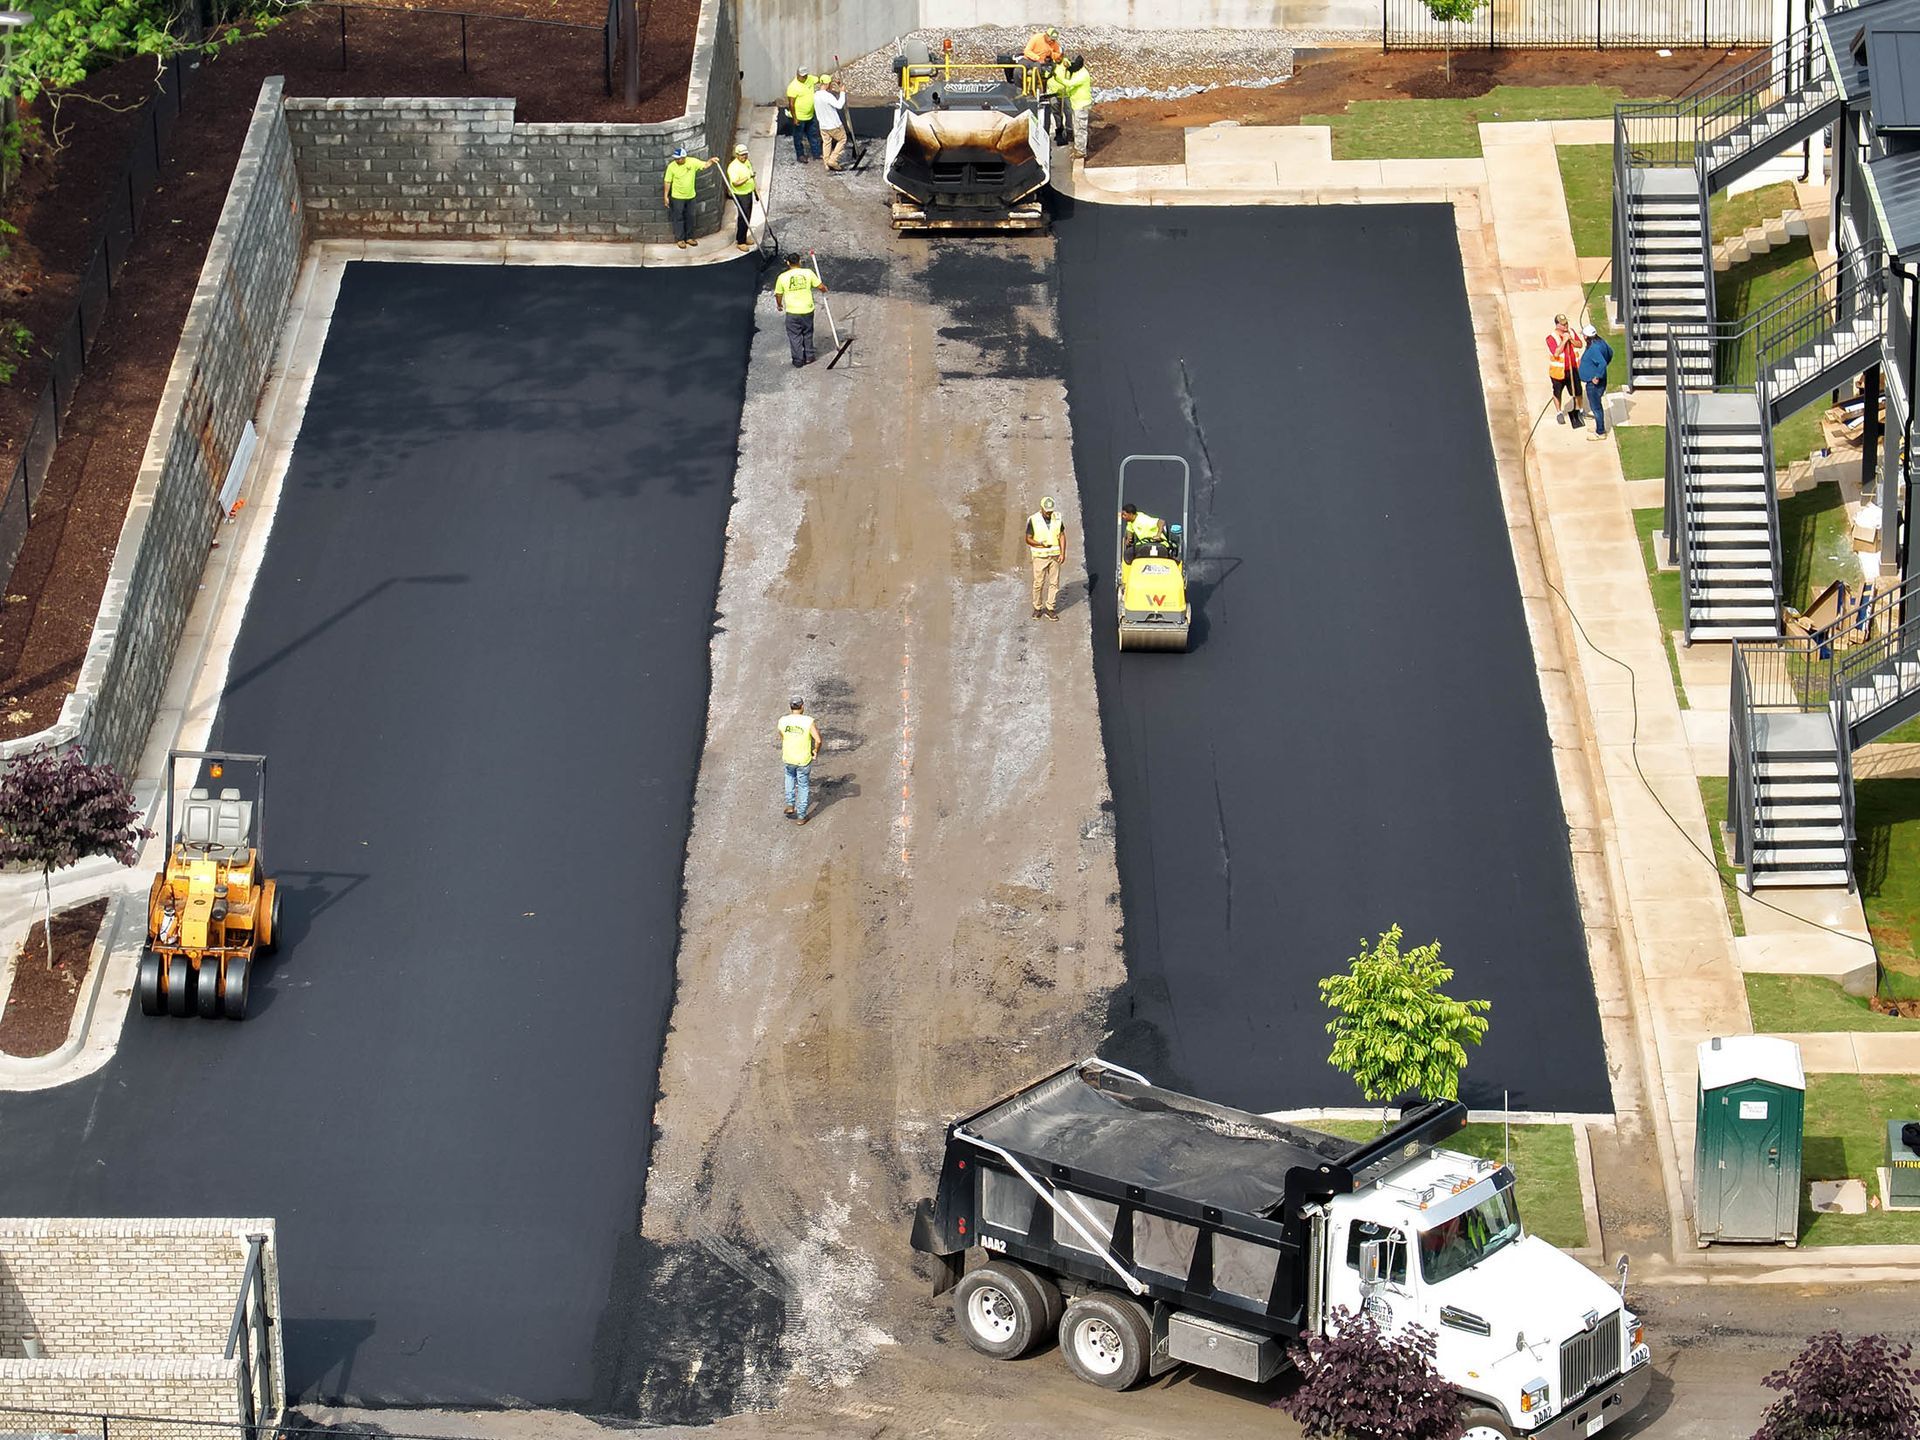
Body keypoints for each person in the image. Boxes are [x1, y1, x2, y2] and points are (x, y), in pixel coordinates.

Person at [773, 254, 827, 367]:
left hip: (793, 312)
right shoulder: (808, 273)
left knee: (794, 336)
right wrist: (824, 289)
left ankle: (798, 361)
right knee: (808, 333)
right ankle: (809, 357)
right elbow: (821, 287)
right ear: (800, 261)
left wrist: (779, 304)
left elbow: (778, 294)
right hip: (807, 310)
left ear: (788, 263)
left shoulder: (782, 277)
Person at [778, 698, 822, 824]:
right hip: (803, 759)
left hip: (788, 757)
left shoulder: (783, 720)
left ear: (790, 707)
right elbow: (818, 740)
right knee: (803, 785)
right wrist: (815, 751)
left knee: (789, 777)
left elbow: (782, 735)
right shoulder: (808, 721)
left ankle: (790, 804)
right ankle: (802, 816)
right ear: (802, 706)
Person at [1026, 496, 1066, 620]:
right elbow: (1028, 539)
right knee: (1038, 583)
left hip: (1054, 556)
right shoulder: (1034, 520)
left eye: (1050, 511)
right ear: (1042, 508)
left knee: (1054, 583)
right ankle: (1037, 608)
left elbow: (1062, 536)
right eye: (1047, 511)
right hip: (1040, 557)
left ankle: (1050, 608)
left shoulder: (1057, 518)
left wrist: (1062, 553)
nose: (1049, 513)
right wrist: (1040, 544)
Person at [1047, 56, 1093, 159]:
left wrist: (1057, 77)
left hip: (1082, 105)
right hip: (1077, 104)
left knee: (1080, 128)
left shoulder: (1082, 75)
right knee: (1077, 126)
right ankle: (1079, 147)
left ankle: (1081, 151)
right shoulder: (1077, 71)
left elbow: (1069, 83)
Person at [714, 143, 756, 251]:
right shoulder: (733, 167)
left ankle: (743, 236)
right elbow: (736, 183)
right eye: (742, 155)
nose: (744, 156)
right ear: (737, 155)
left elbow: (751, 173)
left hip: (748, 192)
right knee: (743, 216)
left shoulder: (746, 162)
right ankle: (740, 241)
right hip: (740, 194)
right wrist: (748, 177)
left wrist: (754, 188)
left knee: (748, 215)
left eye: (745, 154)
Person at [1578, 322, 1615, 439]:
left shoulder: (1594, 348)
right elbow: (1610, 353)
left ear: (1586, 337)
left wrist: (1597, 375)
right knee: (1596, 406)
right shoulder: (1600, 342)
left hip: (1593, 384)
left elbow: (1602, 362)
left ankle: (1600, 432)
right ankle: (1599, 427)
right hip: (1596, 381)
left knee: (1596, 407)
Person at [662, 146, 704, 249]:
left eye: (678, 158)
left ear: (684, 157)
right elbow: (667, 181)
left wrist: (712, 161)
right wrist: (666, 196)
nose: (676, 160)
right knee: (678, 217)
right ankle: (680, 239)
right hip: (677, 197)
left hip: (690, 196)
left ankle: (689, 237)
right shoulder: (672, 166)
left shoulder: (692, 162)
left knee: (690, 216)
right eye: (675, 158)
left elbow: (704, 165)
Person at [1546, 313, 1583, 426]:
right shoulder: (1551, 338)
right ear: (1557, 325)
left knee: (1578, 391)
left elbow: (1580, 344)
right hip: (1558, 372)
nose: (1565, 326)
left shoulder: (1571, 332)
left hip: (1573, 368)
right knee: (1557, 393)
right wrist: (1564, 341)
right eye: (1563, 324)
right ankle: (1559, 413)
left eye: (1566, 323)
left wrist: (1570, 339)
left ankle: (1579, 410)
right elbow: (1556, 353)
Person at [786, 67, 824, 163]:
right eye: (803, 76)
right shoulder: (793, 87)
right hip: (799, 117)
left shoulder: (810, 79)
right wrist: (795, 118)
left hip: (810, 115)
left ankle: (816, 153)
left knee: (813, 135)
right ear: (798, 75)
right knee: (798, 137)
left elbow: (819, 79)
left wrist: (827, 80)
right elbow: (791, 104)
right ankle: (800, 155)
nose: (805, 77)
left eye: (806, 75)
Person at [815, 77, 850, 173]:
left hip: (823, 125)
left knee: (826, 143)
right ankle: (833, 160)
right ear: (827, 84)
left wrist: (838, 86)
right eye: (830, 83)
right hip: (834, 125)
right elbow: (839, 105)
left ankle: (826, 163)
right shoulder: (828, 96)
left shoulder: (816, 95)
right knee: (842, 139)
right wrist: (842, 92)